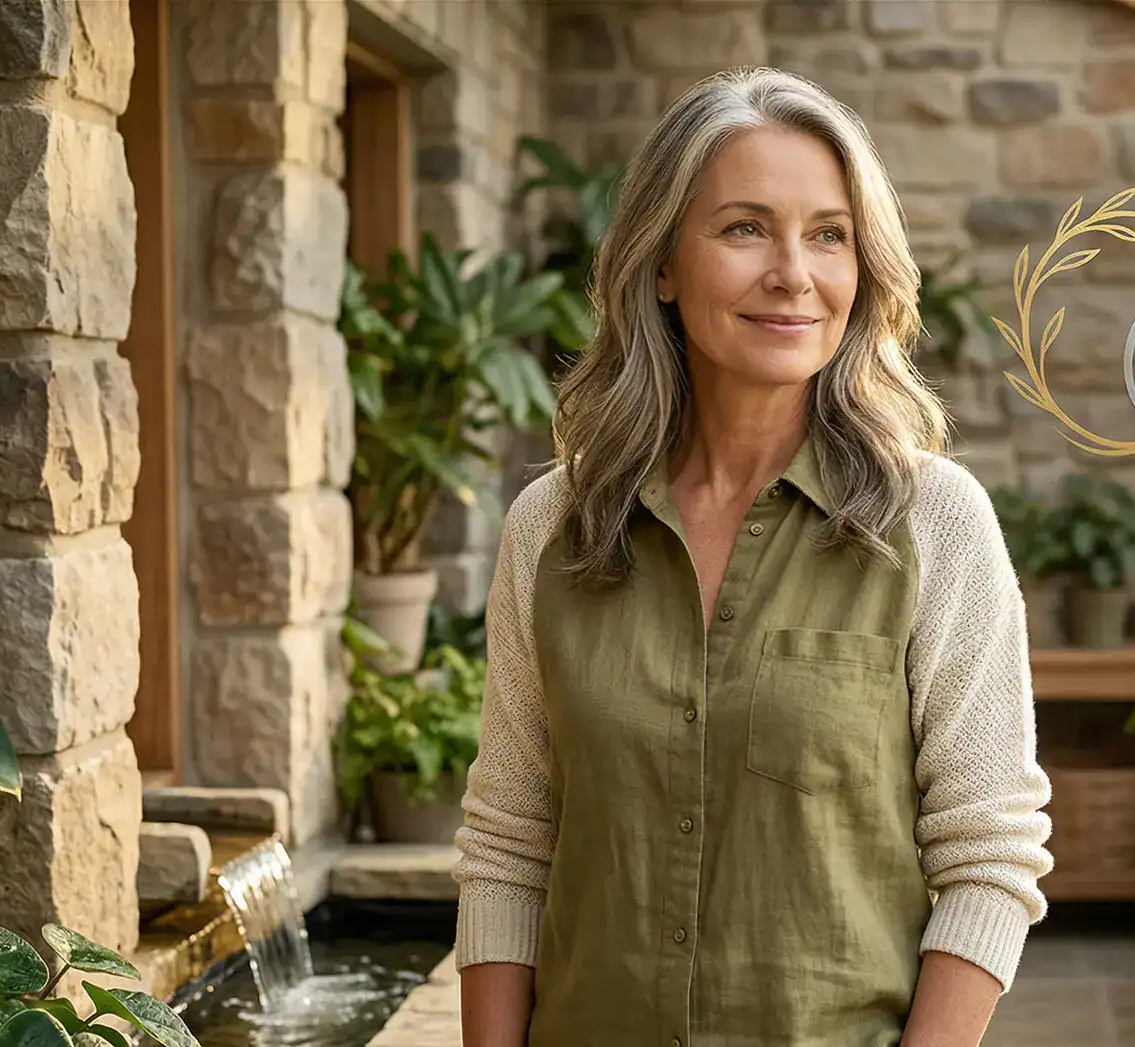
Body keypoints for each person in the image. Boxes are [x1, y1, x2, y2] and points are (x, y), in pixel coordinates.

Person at [452, 66, 1055, 1047]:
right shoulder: (552, 526)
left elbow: (991, 858)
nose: (794, 273)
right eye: (744, 228)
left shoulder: (936, 523)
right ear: (660, 264)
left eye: (829, 234)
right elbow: (511, 848)